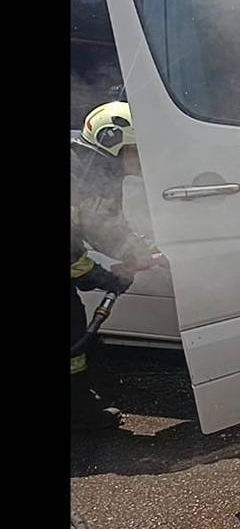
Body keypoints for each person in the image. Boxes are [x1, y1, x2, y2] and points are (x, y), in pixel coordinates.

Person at [71, 101, 168, 430]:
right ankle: (79, 410)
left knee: (73, 329)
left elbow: (105, 226)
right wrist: (99, 276)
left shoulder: (92, 171)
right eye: (136, 151)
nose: (142, 160)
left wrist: (142, 252)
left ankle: (78, 405)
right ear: (111, 141)